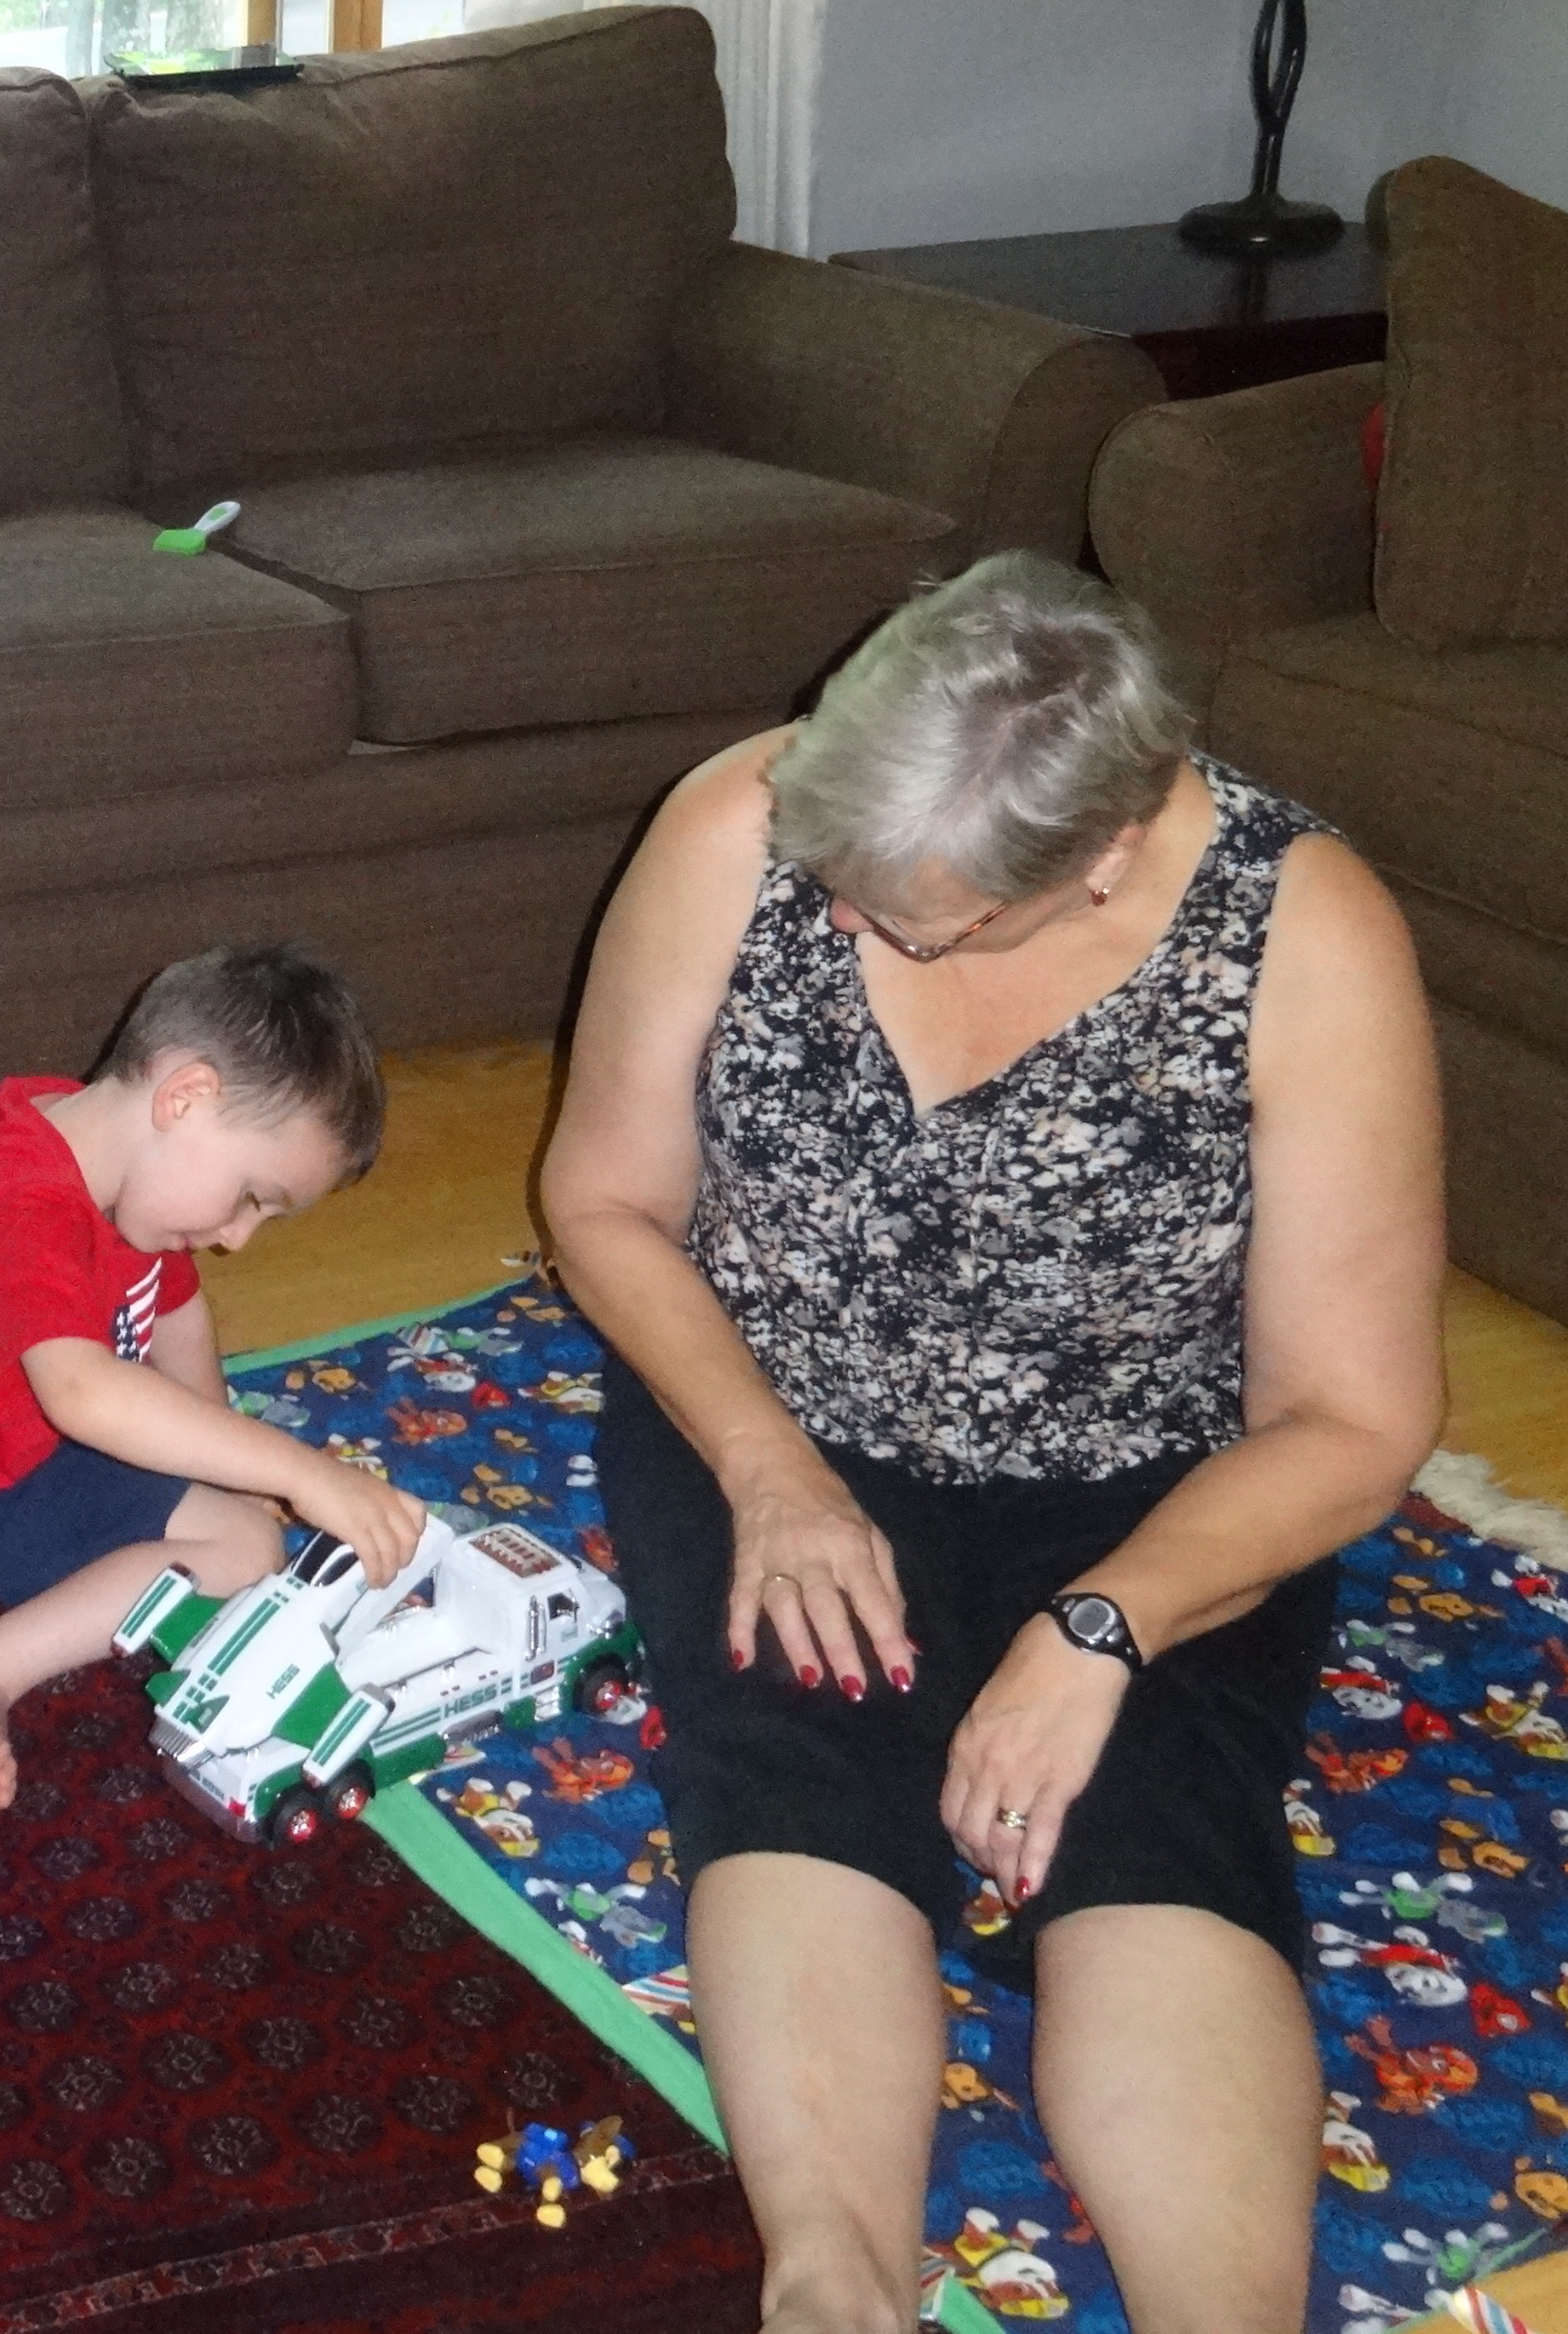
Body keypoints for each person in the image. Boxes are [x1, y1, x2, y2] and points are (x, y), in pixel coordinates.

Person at [535, 553, 1443, 2334]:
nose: (850, 927)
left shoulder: (1304, 934)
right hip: (770, 1402)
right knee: (799, 1749)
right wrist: (767, 1469)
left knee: (1152, 1817)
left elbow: (1357, 1419)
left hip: (1150, 1477)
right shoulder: (738, 821)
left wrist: (1104, 1627)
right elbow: (605, 1199)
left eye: (920, 921)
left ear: (1103, 853)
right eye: (836, 884)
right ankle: (834, 2287)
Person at [0, 945, 420, 1828]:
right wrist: (294, 1471)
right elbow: (88, 1396)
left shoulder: (108, 1153)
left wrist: (225, 1459)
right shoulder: (11, 1199)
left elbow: (176, 1313)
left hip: (10, 1445)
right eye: (252, 1197)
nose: (238, 1238)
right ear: (186, 1096)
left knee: (227, 1497)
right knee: (245, 1549)